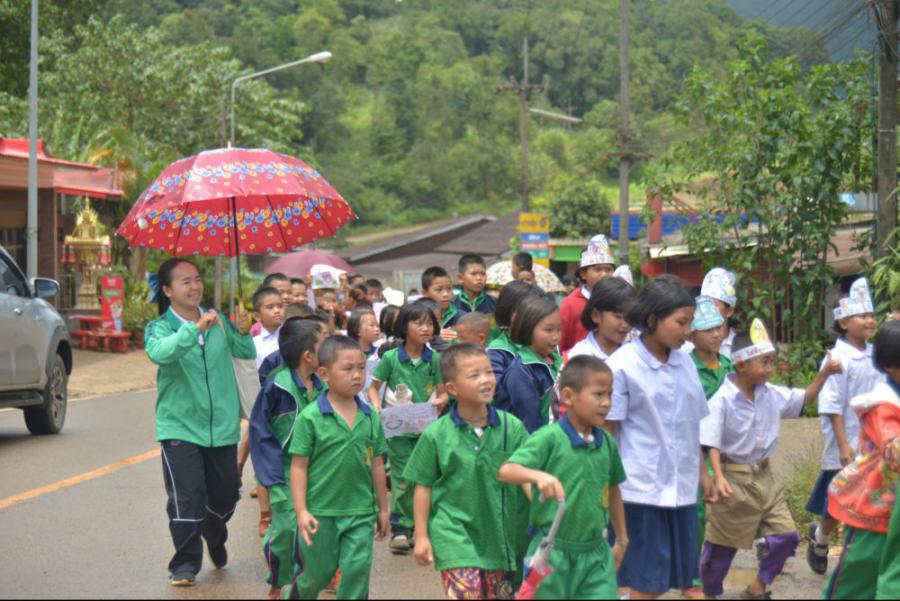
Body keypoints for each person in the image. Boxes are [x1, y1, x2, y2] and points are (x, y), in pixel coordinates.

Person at [699, 320, 842, 600]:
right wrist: (717, 476)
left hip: (765, 478)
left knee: (786, 537)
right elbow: (710, 441)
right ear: (742, 365)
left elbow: (804, 398)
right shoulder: (723, 400)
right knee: (720, 549)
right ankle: (709, 593)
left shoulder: (771, 394)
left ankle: (758, 587)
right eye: (764, 362)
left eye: (771, 362)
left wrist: (824, 373)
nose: (769, 369)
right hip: (733, 479)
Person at [145, 258, 255, 587]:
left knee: (226, 495)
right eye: (185, 281)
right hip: (179, 427)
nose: (195, 287)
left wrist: (242, 331)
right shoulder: (159, 328)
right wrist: (194, 330)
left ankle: (214, 529)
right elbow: (160, 353)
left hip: (222, 427)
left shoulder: (219, 321)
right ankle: (185, 564)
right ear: (168, 291)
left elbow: (244, 353)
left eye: (196, 279)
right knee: (187, 496)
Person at [605, 275, 711, 599]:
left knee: (672, 580)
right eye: (681, 322)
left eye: (690, 322)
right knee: (645, 582)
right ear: (653, 320)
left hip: (681, 489)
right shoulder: (622, 365)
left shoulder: (685, 362)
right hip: (640, 490)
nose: (688, 331)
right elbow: (608, 432)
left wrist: (704, 475)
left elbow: (692, 424)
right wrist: (604, 489)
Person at [405, 344, 529, 599]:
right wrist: (421, 535)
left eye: (489, 372)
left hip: (499, 539)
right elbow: (423, 485)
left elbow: (528, 473)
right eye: (474, 375)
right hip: (453, 535)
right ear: (452, 389)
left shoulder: (512, 428)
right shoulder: (436, 434)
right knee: (467, 594)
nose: (486, 380)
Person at [498, 355, 628, 599]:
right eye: (598, 394)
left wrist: (622, 539)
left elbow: (614, 489)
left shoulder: (607, 443)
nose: (606, 403)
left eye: (610, 395)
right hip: (552, 553)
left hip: (596, 554)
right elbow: (507, 470)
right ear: (568, 396)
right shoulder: (549, 437)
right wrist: (537, 476)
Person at [287, 336, 390, 600]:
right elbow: (298, 467)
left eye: (361, 368)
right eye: (348, 369)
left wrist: (383, 508)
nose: (357, 375)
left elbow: (377, 464)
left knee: (357, 572)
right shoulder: (310, 417)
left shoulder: (370, 416)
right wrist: (301, 510)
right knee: (316, 575)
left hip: (361, 512)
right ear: (324, 374)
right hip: (320, 513)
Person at [807, 278, 884, 574]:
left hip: (874, 441)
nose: (870, 320)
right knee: (837, 498)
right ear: (843, 323)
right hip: (847, 441)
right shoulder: (837, 358)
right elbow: (831, 405)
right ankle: (821, 538)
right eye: (862, 315)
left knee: (863, 497)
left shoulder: (875, 353)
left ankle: (854, 551)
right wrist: (842, 444)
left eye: (872, 315)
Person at [249, 318, 328, 600]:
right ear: (308, 356)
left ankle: (299, 585)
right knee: (285, 531)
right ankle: (277, 577)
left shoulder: (326, 385)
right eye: (324, 344)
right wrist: (269, 479)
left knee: (311, 533)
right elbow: (260, 434)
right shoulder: (276, 387)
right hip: (282, 473)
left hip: (317, 473)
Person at [823, 319, 900, 599]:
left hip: (893, 511)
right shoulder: (882, 405)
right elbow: (894, 448)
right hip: (873, 510)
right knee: (854, 584)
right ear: (891, 365)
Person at [367, 302, 448, 553]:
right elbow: (373, 388)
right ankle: (401, 527)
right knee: (403, 478)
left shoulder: (435, 359)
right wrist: (376, 407)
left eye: (429, 323)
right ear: (404, 326)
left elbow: (443, 392)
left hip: (427, 430)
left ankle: (422, 526)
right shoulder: (391, 358)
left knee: (426, 476)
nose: (425, 328)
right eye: (419, 323)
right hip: (399, 431)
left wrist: (441, 401)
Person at [685, 295, 734, 596]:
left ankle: (711, 573)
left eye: (719, 327)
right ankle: (691, 577)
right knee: (698, 515)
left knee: (727, 515)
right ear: (691, 335)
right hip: (697, 450)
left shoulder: (729, 366)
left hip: (726, 451)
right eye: (707, 329)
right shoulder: (687, 368)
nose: (716, 334)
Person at [495, 294, 562, 433]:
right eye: (548, 330)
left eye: (559, 329)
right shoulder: (521, 371)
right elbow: (530, 423)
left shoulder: (557, 360)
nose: (556, 336)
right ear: (528, 329)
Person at [559, 234, 616, 353]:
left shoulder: (619, 301)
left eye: (608, 269)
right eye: (597, 269)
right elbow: (560, 347)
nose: (604, 274)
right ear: (583, 274)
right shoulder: (570, 305)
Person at [567, 276, 636, 362]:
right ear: (595, 315)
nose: (626, 325)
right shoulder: (578, 358)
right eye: (618, 316)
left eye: (630, 317)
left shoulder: (635, 356)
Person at [486, 281, 540, 383]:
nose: (533, 316)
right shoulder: (497, 351)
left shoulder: (545, 344)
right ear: (507, 311)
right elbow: (496, 387)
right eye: (525, 310)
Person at [697, 267, 739, 358]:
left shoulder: (739, 346)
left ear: (729, 311)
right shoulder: (690, 347)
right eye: (704, 303)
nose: (707, 309)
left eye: (714, 304)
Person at [452, 254, 496, 324]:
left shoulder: (495, 303)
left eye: (483, 274)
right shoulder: (451, 305)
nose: (479, 278)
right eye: (474, 274)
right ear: (460, 278)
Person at [347, 309, 382, 393]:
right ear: (358, 330)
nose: (377, 329)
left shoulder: (380, 352)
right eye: (371, 325)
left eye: (377, 325)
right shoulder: (347, 354)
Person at [252, 287, 285, 370]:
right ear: (257, 316)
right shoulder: (253, 344)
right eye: (270, 307)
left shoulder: (292, 337)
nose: (277, 310)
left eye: (280, 306)